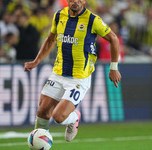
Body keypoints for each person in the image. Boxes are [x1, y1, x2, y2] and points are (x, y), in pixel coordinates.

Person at [24, 0, 121, 142]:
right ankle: (39, 144)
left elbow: (114, 38)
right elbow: (51, 39)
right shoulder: (59, 15)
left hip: (78, 77)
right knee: (42, 112)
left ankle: (74, 118)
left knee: (58, 117)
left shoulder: (92, 20)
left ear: (84, 1)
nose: (75, 1)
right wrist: (36, 61)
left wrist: (114, 67)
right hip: (58, 73)